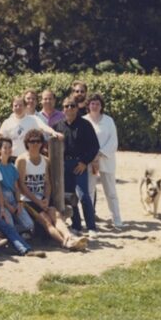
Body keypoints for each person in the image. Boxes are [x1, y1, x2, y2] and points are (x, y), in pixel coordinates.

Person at [16, 129, 87, 251]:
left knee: (57, 216)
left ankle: (69, 237)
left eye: (38, 141)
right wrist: (38, 202)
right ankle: (64, 243)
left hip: (42, 198)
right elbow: (21, 186)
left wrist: (46, 199)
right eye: (32, 141)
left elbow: (48, 183)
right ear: (27, 143)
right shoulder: (22, 160)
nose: (35, 144)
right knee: (47, 222)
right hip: (28, 200)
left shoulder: (45, 160)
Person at [55, 94, 101, 236]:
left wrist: (84, 162)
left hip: (79, 164)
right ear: (63, 109)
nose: (69, 108)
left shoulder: (85, 125)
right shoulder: (58, 126)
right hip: (63, 165)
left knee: (84, 196)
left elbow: (94, 146)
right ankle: (76, 225)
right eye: (66, 106)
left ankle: (91, 227)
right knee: (70, 197)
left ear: (77, 108)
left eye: (72, 106)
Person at [85, 93, 123, 229]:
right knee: (88, 191)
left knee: (111, 191)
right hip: (89, 161)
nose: (94, 106)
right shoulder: (84, 120)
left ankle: (117, 219)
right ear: (88, 105)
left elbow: (113, 142)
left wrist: (99, 154)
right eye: (92, 103)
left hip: (106, 160)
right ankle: (89, 221)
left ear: (101, 106)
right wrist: (91, 157)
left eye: (97, 104)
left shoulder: (108, 121)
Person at [0, 137, 34, 235]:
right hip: (1, 201)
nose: (8, 150)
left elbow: (16, 188)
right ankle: (7, 230)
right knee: (10, 225)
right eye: (5, 148)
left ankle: (6, 231)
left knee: (30, 225)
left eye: (10, 147)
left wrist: (19, 202)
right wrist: (7, 206)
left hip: (13, 199)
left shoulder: (12, 167)